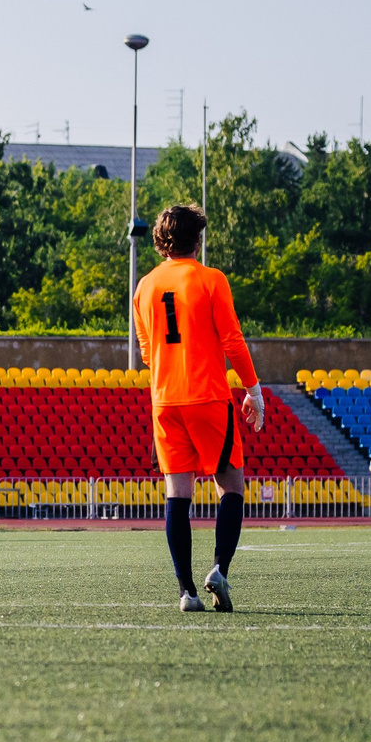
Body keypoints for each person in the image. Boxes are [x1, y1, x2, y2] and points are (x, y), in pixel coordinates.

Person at [132, 201, 261, 610]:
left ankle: (186, 592)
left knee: (177, 492)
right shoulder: (210, 279)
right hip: (207, 395)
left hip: (165, 400)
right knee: (231, 484)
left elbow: (148, 353)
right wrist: (253, 390)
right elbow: (232, 340)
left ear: (160, 240)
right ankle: (219, 570)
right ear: (197, 239)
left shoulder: (144, 286)